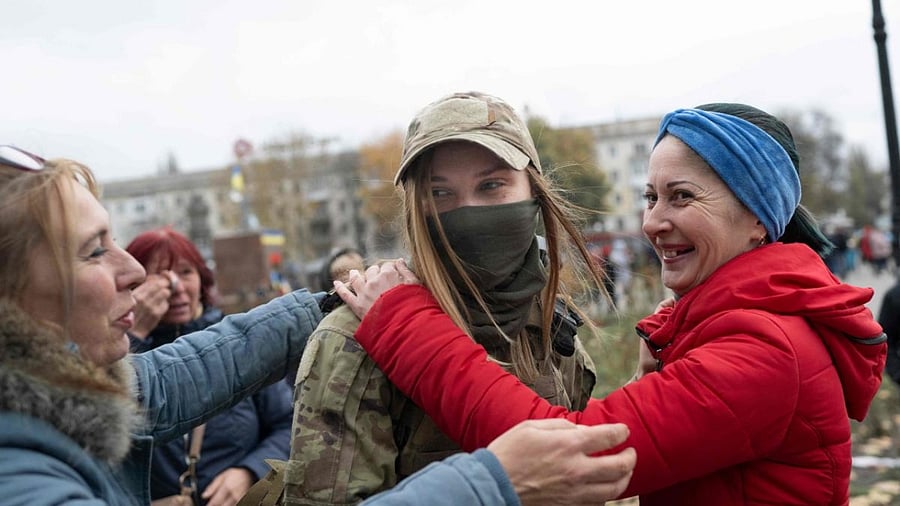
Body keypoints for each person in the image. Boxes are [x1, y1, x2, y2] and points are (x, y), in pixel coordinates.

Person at [0, 145, 634, 506]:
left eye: (493, 186)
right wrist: (492, 484)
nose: (132, 271)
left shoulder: (54, 383)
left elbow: (163, 383)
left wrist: (328, 304)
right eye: (91, 250)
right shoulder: (21, 478)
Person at [337, 104, 888, 505]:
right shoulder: (735, 324)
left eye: (682, 197)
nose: (652, 222)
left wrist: (405, 324)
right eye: (651, 196)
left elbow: (572, 453)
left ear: (757, 222)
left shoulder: (767, 348)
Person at [281, 91, 629, 504]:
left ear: (533, 193)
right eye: (441, 193)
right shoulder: (354, 340)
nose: (468, 210)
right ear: (415, 208)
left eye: (492, 185)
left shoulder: (551, 328)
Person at [125, 226, 294, 506]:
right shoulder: (116, 352)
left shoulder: (237, 342)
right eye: (158, 275)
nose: (175, 287)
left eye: (185, 272)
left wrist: (250, 470)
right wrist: (135, 334)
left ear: (202, 279)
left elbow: (288, 423)